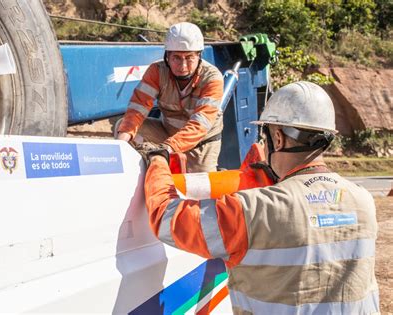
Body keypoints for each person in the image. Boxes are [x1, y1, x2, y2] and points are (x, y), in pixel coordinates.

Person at [141, 81, 379, 314]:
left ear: (278, 138)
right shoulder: (363, 201)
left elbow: (167, 217)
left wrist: (159, 160)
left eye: (265, 139)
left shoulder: (253, 210)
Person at [115, 22, 224, 173]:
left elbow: (200, 124)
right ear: (167, 56)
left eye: (189, 58)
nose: (183, 65)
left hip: (201, 144)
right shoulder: (157, 71)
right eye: (177, 58)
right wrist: (119, 146)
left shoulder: (212, 78)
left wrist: (167, 149)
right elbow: (137, 109)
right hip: (167, 133)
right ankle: (141, 173)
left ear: (199, 56)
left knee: (201, 189)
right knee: (124, 129)